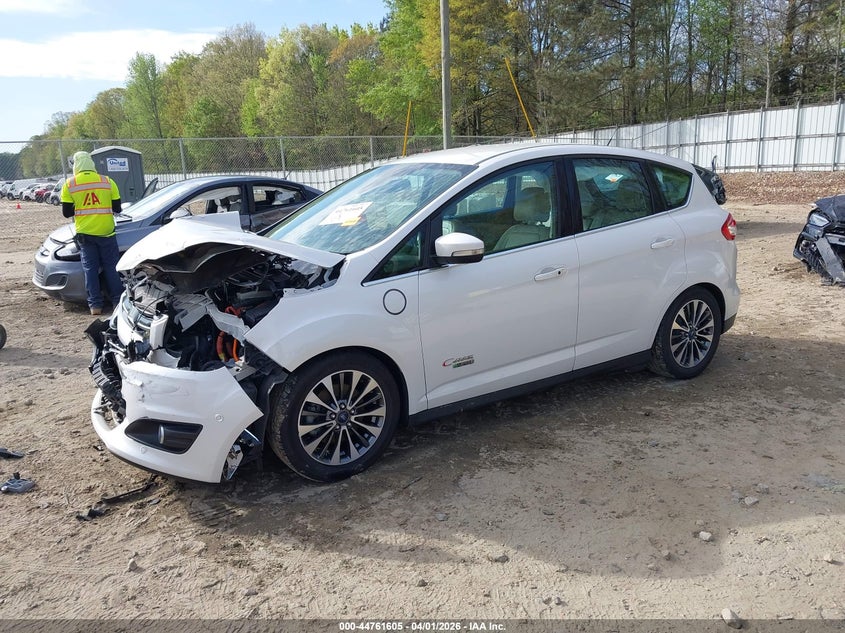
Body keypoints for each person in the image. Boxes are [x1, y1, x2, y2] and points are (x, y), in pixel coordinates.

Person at [60, 151, 124, 315]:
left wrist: (82, 206)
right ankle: (118, 302)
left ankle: (95, 306)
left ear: (76, 165)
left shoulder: (70, 184)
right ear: (91, 164)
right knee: (111, 268)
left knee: (90, 270)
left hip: (85, 235)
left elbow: (67, 213)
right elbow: (117, 208)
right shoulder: (107, 181)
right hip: (107, 232)